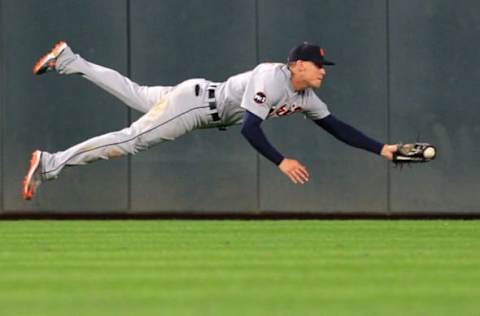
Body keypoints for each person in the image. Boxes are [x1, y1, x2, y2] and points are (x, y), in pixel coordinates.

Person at [22, 41, 397, 200]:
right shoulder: (271, 76)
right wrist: (281, 161)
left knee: (134, 93)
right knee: (132, 139)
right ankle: (52, 162)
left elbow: (335, 126)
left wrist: (384, 150)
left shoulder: (305, 96)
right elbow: (250, 128)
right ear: (298, 64)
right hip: (198, 107)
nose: (323, 71)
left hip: (198, 96)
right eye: (318, 65)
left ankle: (70, 60)